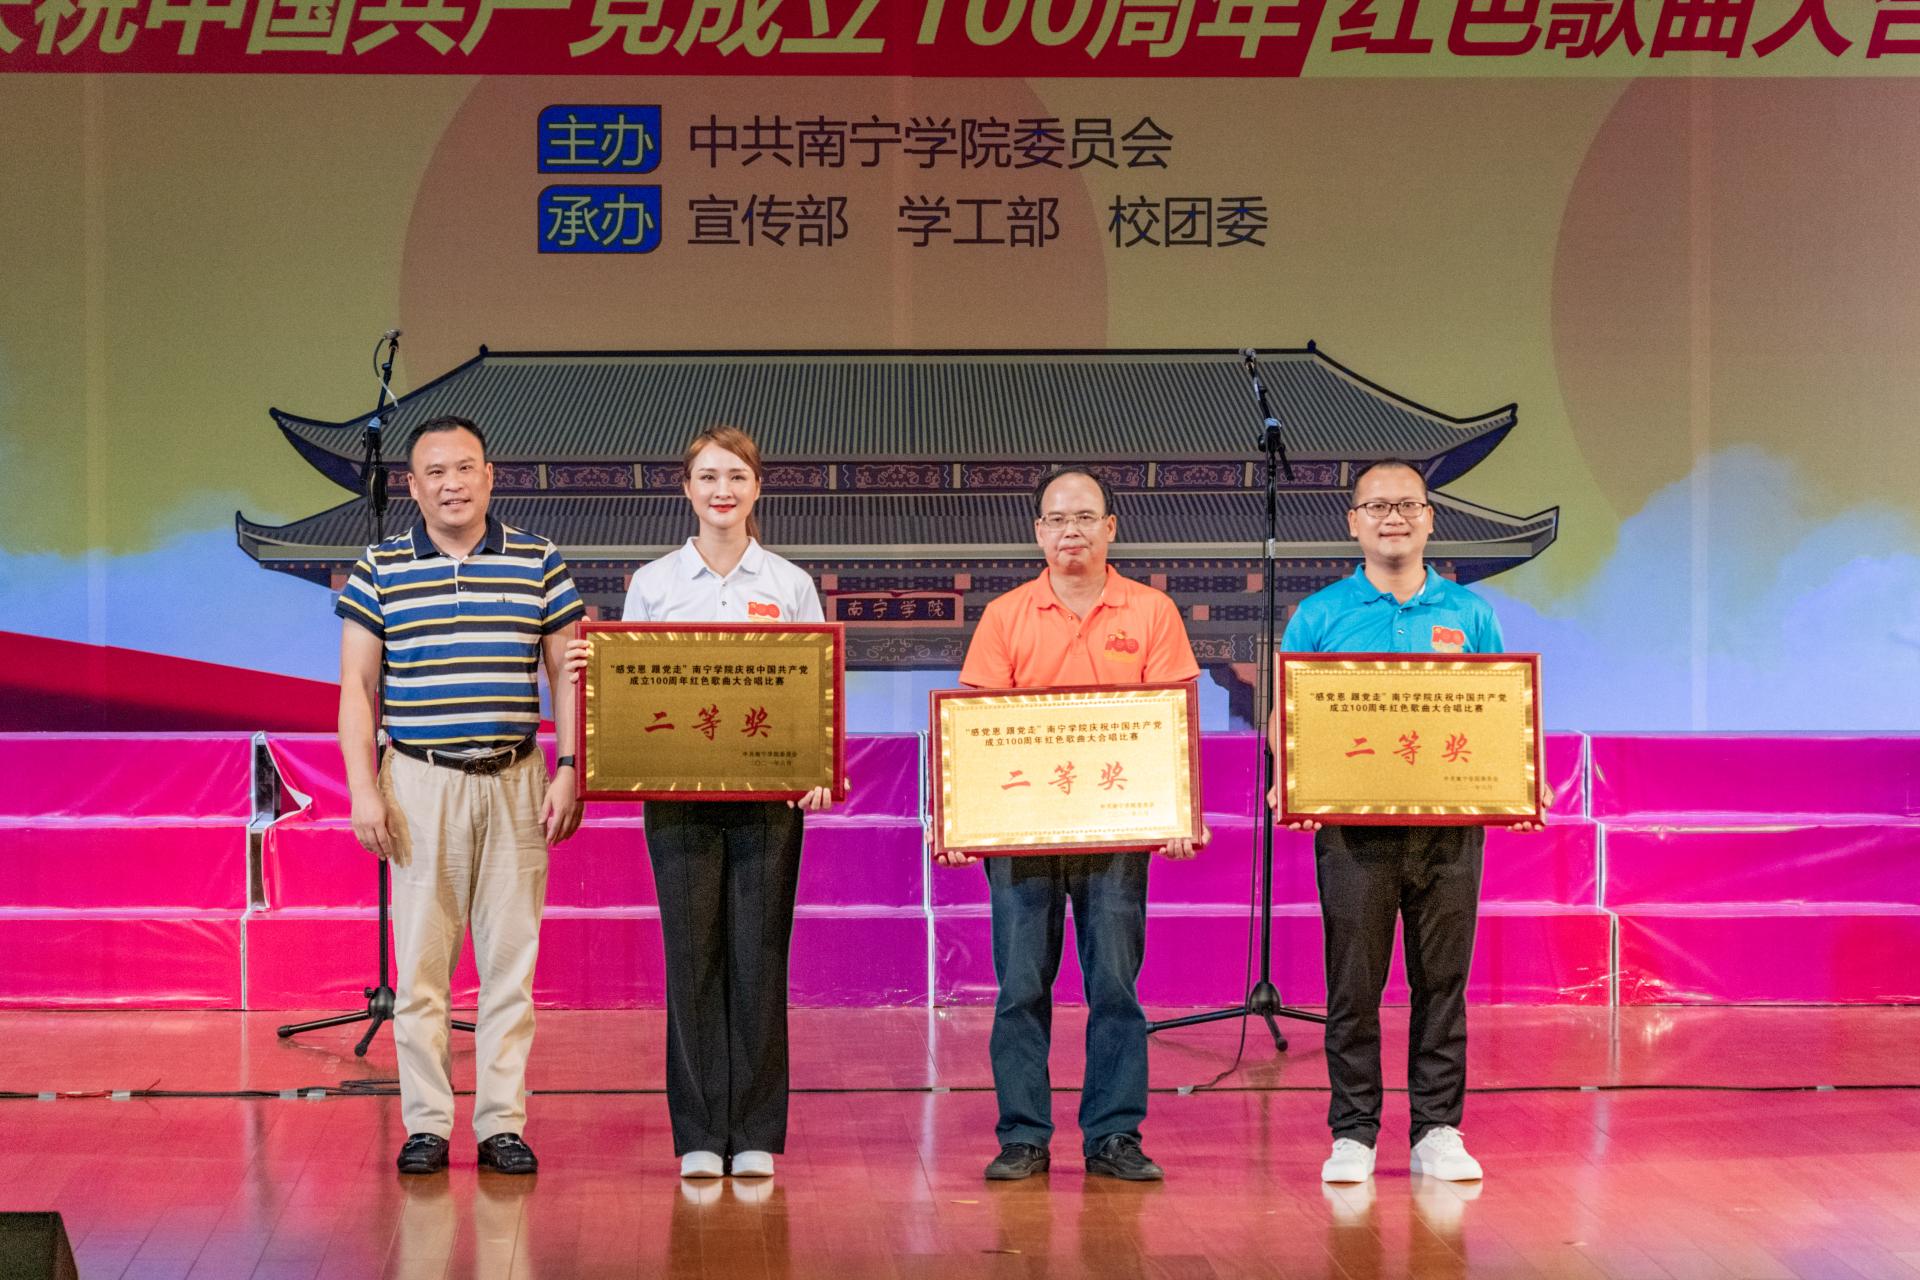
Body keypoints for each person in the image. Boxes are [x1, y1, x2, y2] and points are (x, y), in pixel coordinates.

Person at [567, 426, 835, 1181]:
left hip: (768, 801)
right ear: (686, 489)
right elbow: (628, 692)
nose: (723, 490)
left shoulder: (788, 583)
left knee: (760, 958)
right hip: (676, 798)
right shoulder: (654, 584)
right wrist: (594, 667)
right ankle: (698, 1132)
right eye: (709, 477)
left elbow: (817, 686)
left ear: (757, 488)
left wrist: (817, 764)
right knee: (691, 959)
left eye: (737, 477)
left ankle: (755, 1131)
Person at [1274, 459, 1546, 1186]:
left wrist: (1519, 783)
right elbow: (1286, 712)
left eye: (1406, 506)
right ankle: (1353, 1133)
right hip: (1353, 833)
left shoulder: (1471, 614)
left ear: (1429, 518)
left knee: (1443, 982)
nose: (1392, 518)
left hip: (1450, 830)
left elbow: (1501, 710)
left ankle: (1437, 1129)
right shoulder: (1320, 615)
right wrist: (1289, 780)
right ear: (1352, 522)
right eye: (1377, 506)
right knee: (1352, 985)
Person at [337, 414, 585, 1176]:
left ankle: (502, 1123)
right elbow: (356, 688)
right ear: (412, 487)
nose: (452, 484)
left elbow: (566, 673)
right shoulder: (379, 568)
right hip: (418, 781)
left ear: (490, 475)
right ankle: (427, 1124)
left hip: (516, 779)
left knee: (511, 966)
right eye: (436, 472)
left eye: (465, 468)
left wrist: (570, 765)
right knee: (420, 971)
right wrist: (362, 790)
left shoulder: (539, 560)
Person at [941, 465, 1205, 1184]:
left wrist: (1179, 813)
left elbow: (1174, 725)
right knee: (1020, 987)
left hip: (1117, 832)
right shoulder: (1006, 616)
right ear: (1038, 533)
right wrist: (965, 822)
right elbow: (977, 730)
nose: (1071, 531)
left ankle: (1114, 1134)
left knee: (1115, 986)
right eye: (1057, 519)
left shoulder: (1151, 611)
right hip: (1022, 833)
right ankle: (1023, 1136)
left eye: (1085, 517)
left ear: (1110, 528)